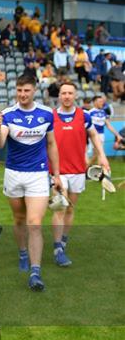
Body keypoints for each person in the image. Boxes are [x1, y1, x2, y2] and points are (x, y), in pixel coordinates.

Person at [0, 74, 63, 291]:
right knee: (19, 218)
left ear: (34, 90)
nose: (22, 94)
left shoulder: (46, 114)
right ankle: (22, 251)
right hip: (13, 174)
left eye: (26, 90)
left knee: (34, 222)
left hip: (38, 175)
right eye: (19, 90)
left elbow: (51, 144)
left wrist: (57, 174)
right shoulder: (7, 114)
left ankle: (35, 271)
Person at [51, 82, 110, 267]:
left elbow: (93, 136)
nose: (67, 96)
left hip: (78, 170)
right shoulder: (50, 116)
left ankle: (64, 240)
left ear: (75, 95)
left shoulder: (84, 116)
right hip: (58, 172)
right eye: (64, 93)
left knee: (70, 208)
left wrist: (102, 156)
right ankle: (57, 248)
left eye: (70, 93)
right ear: (59, 95)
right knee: (60, 207)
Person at [88, 95, 123, 164]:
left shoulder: (103, 112)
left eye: (102, 101)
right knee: (99, 153)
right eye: (100, 101)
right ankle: (98, 170)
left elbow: (108, 125)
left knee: (97, 154)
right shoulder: (90, 113)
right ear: (95, 102)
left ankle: (93, 169)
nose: (102, 103)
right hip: (93, 136)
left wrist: (117, 135)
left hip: (101, 135)